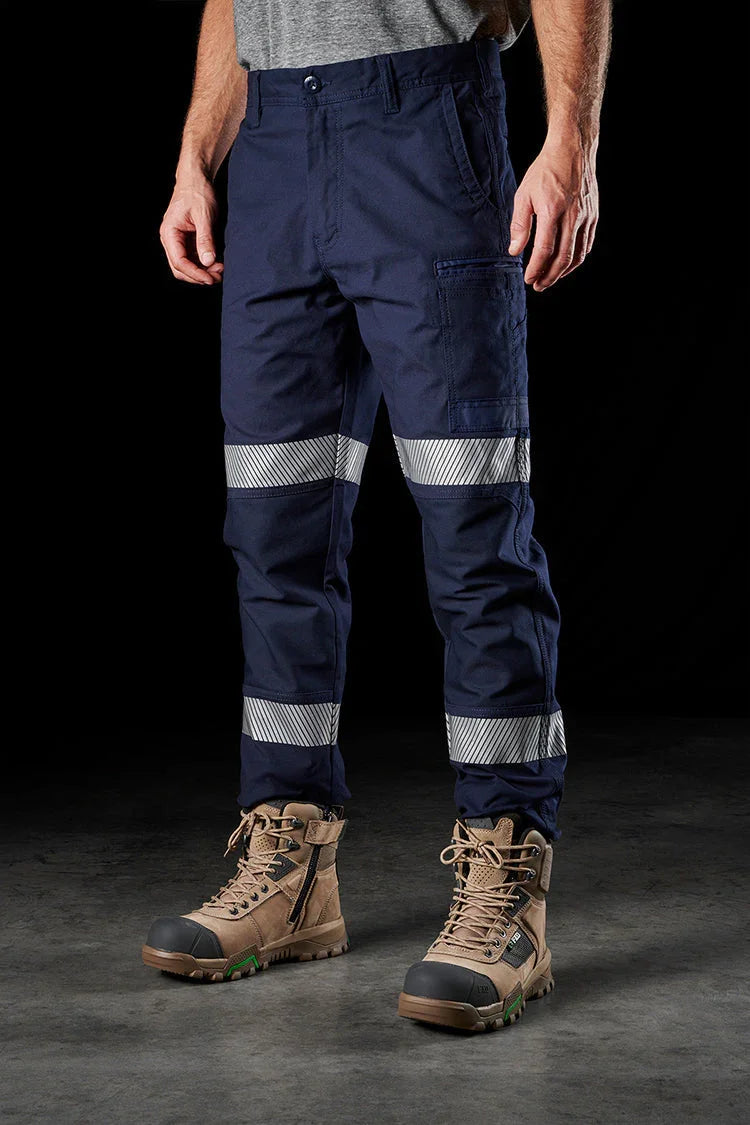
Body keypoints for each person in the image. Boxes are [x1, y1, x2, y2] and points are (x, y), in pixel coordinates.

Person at [142, 0, 611, 1032]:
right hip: (272, 144)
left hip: (426, 125)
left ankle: (509, 878)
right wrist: (196, 156)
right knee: (275, 529)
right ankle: (292, 862)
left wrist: (571, 141)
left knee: (474, 527)